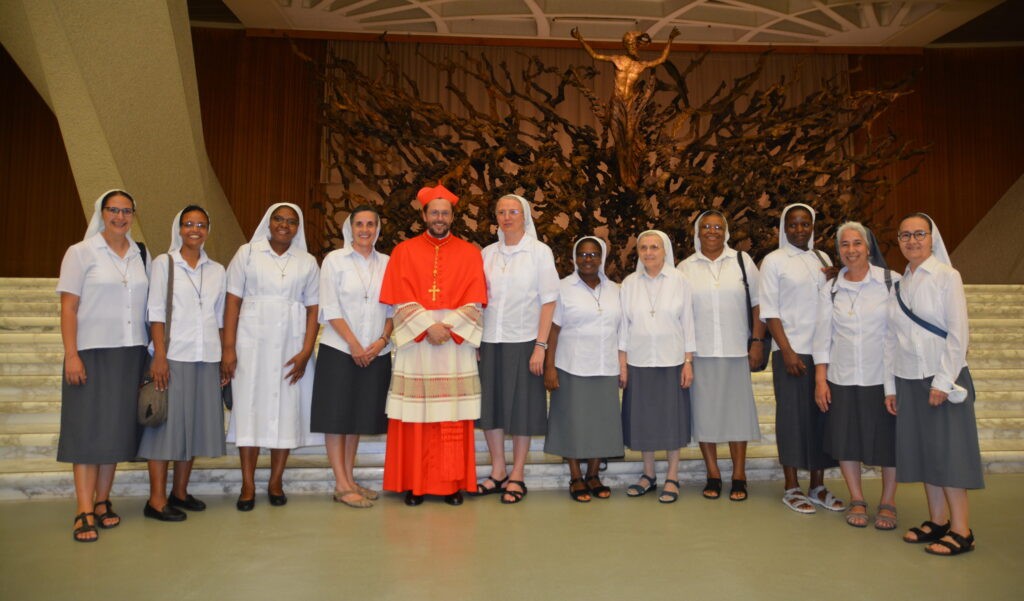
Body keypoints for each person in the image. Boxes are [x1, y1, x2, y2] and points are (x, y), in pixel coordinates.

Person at [379, 184, 488, 506]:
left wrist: (447, 327)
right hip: (418, 344)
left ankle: (450, 484)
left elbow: (477, 301)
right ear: (424, 215)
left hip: (455, 344)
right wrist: (428, 327)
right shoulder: (403, 252)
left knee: (451, 417)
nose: (440, 218)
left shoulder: (471, 253)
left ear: (453, 216)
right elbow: (397, 299)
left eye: (445, 213)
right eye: (434, 212)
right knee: (417, 417)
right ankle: (415, 483)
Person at [884, 213, 983, 556]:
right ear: (898, 241)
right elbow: (891, 340)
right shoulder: (899, 284)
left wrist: (943, 380)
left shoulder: (946, 276)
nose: (912, 241)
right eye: (905, 235)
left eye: (919, 234)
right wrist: (890, 387)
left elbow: (959, 334)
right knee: (927, 454)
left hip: (942, 378)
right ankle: (938, 520)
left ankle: (961, 530)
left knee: (949, 454)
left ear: (931, 237)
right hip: (908, 378)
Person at [57, 189, 150, 542]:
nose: (120, 217)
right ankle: (83, 509)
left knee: (114, 429)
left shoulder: (141, 254)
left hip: (131, 353)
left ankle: (103, 501)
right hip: (91, 352)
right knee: (86, 430)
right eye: (114, 210)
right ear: (102, 212)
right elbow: (69, 307)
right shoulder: (81, 253)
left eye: (127, 211)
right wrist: (71, 353)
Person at [222, 203, 322, 511]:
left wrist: (307, 350)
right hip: (250, 345)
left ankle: (275, 481)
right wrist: (228, 348)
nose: (284, 225)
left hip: (291, 348)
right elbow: (232, 302)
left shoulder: (307, 261)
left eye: (291, 222)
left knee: (285, 412)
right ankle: (248, 483)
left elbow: (314, 308)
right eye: (279, 219)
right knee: (249, 412)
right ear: (268, 222)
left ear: (298, 227)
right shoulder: (247, 253)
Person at [139, 206, 227, 522]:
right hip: (173, 355)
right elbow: (156, 311)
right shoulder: (165, 264)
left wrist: (223, 357)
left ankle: (179, 492)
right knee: (166, 429)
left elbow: (219, 317)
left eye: (201, 224)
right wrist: (159, 356)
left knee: (193, 428)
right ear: (179, 228)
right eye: (189, 224)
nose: (195, 229)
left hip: (206, 356)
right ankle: (156, 500)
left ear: (207, 230)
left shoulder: (217, 269)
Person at [812, 222, 899, 529]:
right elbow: (821, 337)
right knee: (846, 440)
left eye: (857, 243)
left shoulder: (891, 282)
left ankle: (888, 501)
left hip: (884, 377)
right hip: (843, 375)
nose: (851, 250)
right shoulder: (831, 289)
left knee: (888, 443)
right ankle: (857, 498)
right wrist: (821, 379)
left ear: (869, 246)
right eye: (845, 245)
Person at [759, 203, 845, 514]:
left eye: (805, 224)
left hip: (823, 352)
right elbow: (770, 311)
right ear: (784, 228)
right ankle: (791, 486)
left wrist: (838, 277)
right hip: (791, 352)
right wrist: (787, 350)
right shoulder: (774, 261)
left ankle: (818, 486)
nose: (799, 230)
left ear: (812, 226)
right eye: (793, 225)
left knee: (822, 418)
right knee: (792, 419)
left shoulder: (821, 258)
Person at [476, 194, 559, 504]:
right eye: (502, 212)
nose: (507, 216)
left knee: (521, 408)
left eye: (513, 211)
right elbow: (477, 300)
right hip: (490, 340)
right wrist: (475, 340)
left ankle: (518, 474)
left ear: (524, 216)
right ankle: (498, 470)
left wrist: (541, 346)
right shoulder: (487, 253)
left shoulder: (539, 253)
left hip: (524, 340)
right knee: (492, 407)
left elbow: (549, 301)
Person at [678, 211, 764, 502]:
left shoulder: (742, 261)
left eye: (717, 227)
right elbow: (680, 313)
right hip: (700, 352)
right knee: (705, 415)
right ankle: (713, 473)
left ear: (726, 232)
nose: (712, 231)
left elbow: (758, 304)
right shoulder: (686, 267)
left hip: (736, 349)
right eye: (706, 227)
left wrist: (756, 341)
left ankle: (739, 474)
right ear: (697, 232)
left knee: (736, 414)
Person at [311, 206, 393, 508]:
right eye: (359, 223)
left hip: (376, 351)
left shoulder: (387, 262)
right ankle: (341, 483)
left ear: (378, 228)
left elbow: (392, 309)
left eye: (371, 224)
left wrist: (382, 340)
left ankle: (349, 477)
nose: (365, 229)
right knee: (337, 418)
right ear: (350, 227)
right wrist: (355, 344)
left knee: (357, 417)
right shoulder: (335, 261)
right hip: (340, 350)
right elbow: (330, 308)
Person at [544, 237, 624, 502]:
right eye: (582, 255)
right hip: (571, 366)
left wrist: (622, 364)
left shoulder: (615, 290)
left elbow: (623, 330)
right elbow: (553, 329)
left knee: (601, 424)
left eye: (593, 255)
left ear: (602, 259)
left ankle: (593, 475)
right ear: (574, 258)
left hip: (605, 366)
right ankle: (576, 476)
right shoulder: (562, 288)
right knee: (574, 424)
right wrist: (550, 367)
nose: (587, 259)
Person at [619, 230, 695, 504]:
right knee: (643, 420)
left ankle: (672, 476)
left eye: (654, 247)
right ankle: (648, 474)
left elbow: (688, 323)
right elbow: (623, 326)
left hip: (671, 360)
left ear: (665, 251)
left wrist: (688, 362)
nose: (649, 252)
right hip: (639, 360)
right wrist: (623, 363)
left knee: (671, 420)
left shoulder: (680, 281)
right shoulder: (629, 283)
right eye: (644, 248)